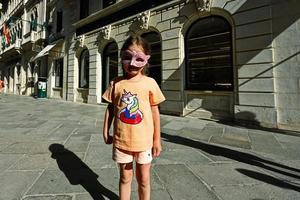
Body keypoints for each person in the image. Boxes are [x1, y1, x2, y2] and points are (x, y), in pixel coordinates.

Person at [102, 35, 165, 200]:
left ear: (146, 60)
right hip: (122, 141)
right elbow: (110, 108)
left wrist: (157, 139)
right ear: (121, 57)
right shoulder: (116, 83)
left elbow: (154, 112)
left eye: (138, 59)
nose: (131, 63)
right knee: (125, 178)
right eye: (127, 57)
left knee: (144, 179)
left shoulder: (150, 83)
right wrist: (105, 130)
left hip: (144, 142)